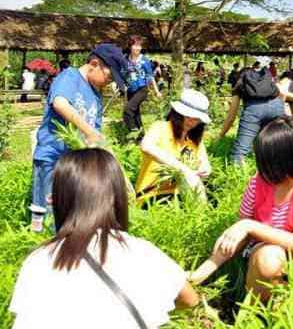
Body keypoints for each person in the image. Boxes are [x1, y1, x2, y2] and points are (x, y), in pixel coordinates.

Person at [10, 149, 199, 329]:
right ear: (118, 198)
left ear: (57, 200)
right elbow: (190, 300)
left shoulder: (40, 260)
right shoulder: (141, 251)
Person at [188, 117, 293, 302]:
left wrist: (249, 225)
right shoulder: (257, 183)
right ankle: (254, 312)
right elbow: (238, 235)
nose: (262, 170)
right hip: (264, 254)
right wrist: (201, 272)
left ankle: (282, 313)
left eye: (267, 163)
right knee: (270, 258)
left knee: (274, 258)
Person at [30, 43, 127, 233]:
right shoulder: (70, 77)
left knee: (68, 215)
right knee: (46, 213)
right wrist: (89, 131)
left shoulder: (96, 96)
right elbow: (60, 103)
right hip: (52, 158)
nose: (109, 82)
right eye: (108, 77)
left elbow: (96, 137)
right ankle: (40, 252)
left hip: (73, 168)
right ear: (94, 63)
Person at [136, 89, 212, 205]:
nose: (192, 121)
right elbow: (146, 146)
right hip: (152, 195)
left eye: (197, 119)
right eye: (188, 116)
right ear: (178, 113)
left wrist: (204, 170)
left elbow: (205, 164)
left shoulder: (195, 140)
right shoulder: (160, 128)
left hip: (182, 193)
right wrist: (183, 169)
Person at [220, 62, 285, 164]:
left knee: (239, 153)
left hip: (254, 110)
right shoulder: (266, 79)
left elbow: (231, 116)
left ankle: (241, 177)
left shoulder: (240, 85)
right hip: (277, 105)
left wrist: (221, 135)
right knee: (277, 145)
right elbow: (282, 94)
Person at [123, 35, 162, 133]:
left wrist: (157, 91)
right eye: (135, 45)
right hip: (130, 90)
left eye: (139, 46)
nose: (137, 48)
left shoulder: (144, 60)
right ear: (130, 46)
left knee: (128, 110)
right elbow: (123, 73)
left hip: (142, 89)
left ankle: (133, 133)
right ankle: (141, 136)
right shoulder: (125, 59)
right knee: (136, 113)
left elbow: (150, 76)